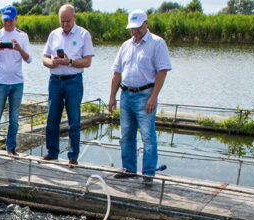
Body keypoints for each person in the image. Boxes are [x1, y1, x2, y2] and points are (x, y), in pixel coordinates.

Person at [108, 9, 171, 184]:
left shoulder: (157, 43)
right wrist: (112, 96)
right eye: (132, 28)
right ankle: (129, 169)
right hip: (126, 94)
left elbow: (162, 72)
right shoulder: (126, 45)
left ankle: (148, 174)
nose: (134, 31)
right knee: (126, 134)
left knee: (147, 136)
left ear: (146, 23)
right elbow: (117, 72)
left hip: (145, 94)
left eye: (137, 27)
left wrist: (153, 97)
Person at [42, 4, 95, 167]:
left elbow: (87, 61)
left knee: (74, 119)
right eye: (62, 21)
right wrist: (51, 62)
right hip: (55, 80)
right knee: (52, 118)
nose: (64, 25)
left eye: (67, 21)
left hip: (74, 80)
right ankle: (52, 152)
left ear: (74, 18)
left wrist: (69, 61)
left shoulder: (83, 34)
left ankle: (73, 156)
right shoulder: (54, 34)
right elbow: (44, 58)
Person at [0, 5, 32, 155]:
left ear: (16, 19)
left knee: (14, 118)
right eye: (5, 20)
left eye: (11, 20)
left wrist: (19, 49)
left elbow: (29, 59)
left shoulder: (22, 36)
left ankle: (11, 147)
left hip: (17, 82)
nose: (8, 23)